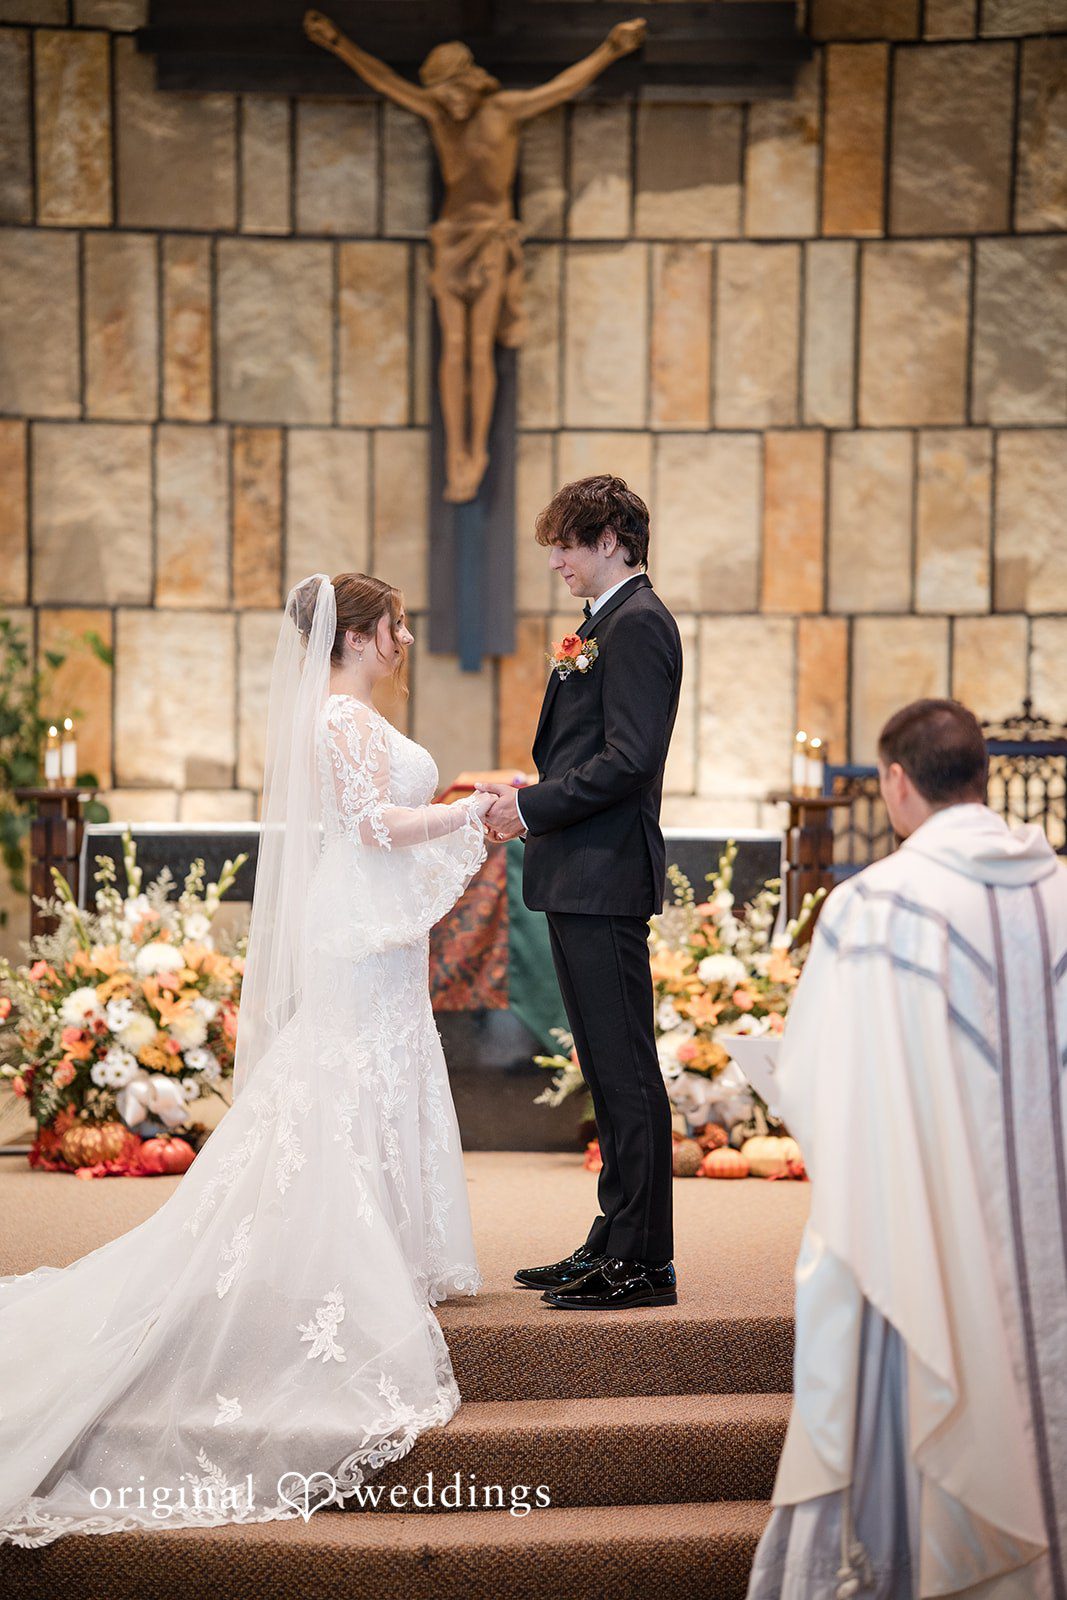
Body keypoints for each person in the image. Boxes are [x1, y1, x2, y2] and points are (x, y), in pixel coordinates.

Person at [0, 573, 495, 1545]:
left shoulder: (346, 713)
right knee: (341, 1077)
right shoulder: (341, 719)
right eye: (394, 624)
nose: (403, 638)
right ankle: (336, 1252)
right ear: (354, 634)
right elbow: (372, 828)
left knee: (364, 1072)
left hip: (370, 927)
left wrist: (471, 799)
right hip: (357, 928)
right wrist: (471, 812)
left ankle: (384, 1241)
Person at [748, 698, 1067, 1600]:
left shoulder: (873, 907)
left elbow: (818, 1083)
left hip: (927, 1236)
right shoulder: (1060, 894)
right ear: (981, 777)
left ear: (894, 781)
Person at [480, 475, 683, 1310]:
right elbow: (593, 757)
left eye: (567, 542)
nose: (556, 560)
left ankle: (643, 1259)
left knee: (626, 1068)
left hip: (603, 876)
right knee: (604, 1065)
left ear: (611, 540)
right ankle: (613, 1237)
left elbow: (629, 760)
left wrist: (528, 808)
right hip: (580, 873)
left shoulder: (638, 624)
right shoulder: (607, 623)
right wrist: (537, 787)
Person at [303, 9, 647, 504]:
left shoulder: (505, 111)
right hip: (451, 239)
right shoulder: (436, 113)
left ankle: (475, 450)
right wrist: (337, 43)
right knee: (456, 347)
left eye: (453, 92)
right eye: (441, 96)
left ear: (468, 82)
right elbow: (382, 77)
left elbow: (562, 87)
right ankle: (455, 451)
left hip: (489, 239)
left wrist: (612, 49)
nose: (450, 103)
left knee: (480, 345)